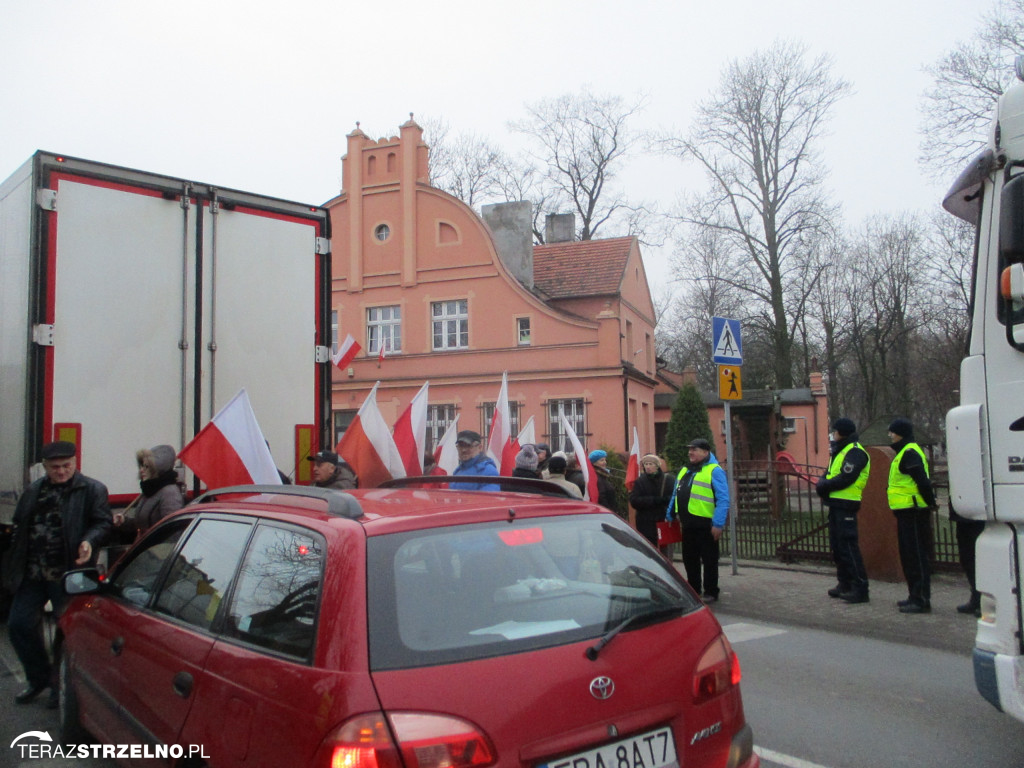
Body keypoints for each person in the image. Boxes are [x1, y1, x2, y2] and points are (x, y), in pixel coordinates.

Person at [3, 441, 112, 707]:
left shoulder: (92, 489)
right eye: (55, 468)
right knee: (18, 625)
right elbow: (19, 526)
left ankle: (60, 685)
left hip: (69, 573)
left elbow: (103, 522)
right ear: (45, 467)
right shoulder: (34, 491)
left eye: (67, 466)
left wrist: (89, 541)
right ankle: (38, 677)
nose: (62, 472)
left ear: (75, 463)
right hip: (34, 573)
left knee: (66, 633)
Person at [816, 418, 871, 604]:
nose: (833, 434)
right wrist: (823, 483)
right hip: (836, 503)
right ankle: (844, 583)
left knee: (848, 547)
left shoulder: (855, 452)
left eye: (835, 431)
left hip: (847, 503)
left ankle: (860, 587)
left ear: (842, 432)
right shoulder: (839, 450)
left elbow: (846, 477)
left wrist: (825, 486)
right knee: (838, 547)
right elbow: (830, 472)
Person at [668, 439, 729, 603]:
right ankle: (694, 589)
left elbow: (723, 499)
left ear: (705, 452)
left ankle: (711, 591)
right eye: (689, 449)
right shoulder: (685, 470)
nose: (690, 453)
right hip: (688, 523)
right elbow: (675, 493)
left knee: (709, 559)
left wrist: (718, 523)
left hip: (706, 524)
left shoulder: (714, 470)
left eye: (694, 450)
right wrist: (670, 514)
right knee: (689, 558)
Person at [887, 418, 937, 614]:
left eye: (892, 432)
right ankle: (914, 595)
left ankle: (921, 599)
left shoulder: (909, 453)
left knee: (916, 556)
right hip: (907, 511)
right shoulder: (905, 453)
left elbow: (922, 482)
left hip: (914, 511)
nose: (890, 435)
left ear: (901, 433)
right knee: (909, 556)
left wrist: (930, 502)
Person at [113, 444, 185, 540]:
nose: (141, 470)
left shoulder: (169, 493)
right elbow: (142, 523)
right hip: (145, 549)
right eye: (141, 465)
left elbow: (171, 531)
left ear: (157, 469)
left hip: (158, 552)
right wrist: (125, 522)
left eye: (146, 466)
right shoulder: (150, 490)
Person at [629, 454, 676, 547]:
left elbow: (674, 497)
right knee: (648, 548)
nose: (648, 467)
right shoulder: (640, 481)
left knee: (665, 549)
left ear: (657, 466)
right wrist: (654, 500)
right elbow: (634, 501)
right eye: (646, 464)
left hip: (663, 519)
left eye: (650, 464)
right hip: (645, 522)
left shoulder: (668, 480)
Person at [950, 501, 984, 616]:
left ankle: (984, 600)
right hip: (962, 515)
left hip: (979, 516)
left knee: (979, 560)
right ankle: (976, 598)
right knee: (967, 559)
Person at [588, 450, 620, 514]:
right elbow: (601, 497)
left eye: (605, 460)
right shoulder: (597, 477)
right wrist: (608, 512)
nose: (605, 462)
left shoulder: (602, 475)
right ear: (594, 463)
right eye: (601, 460)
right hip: (605, 512)